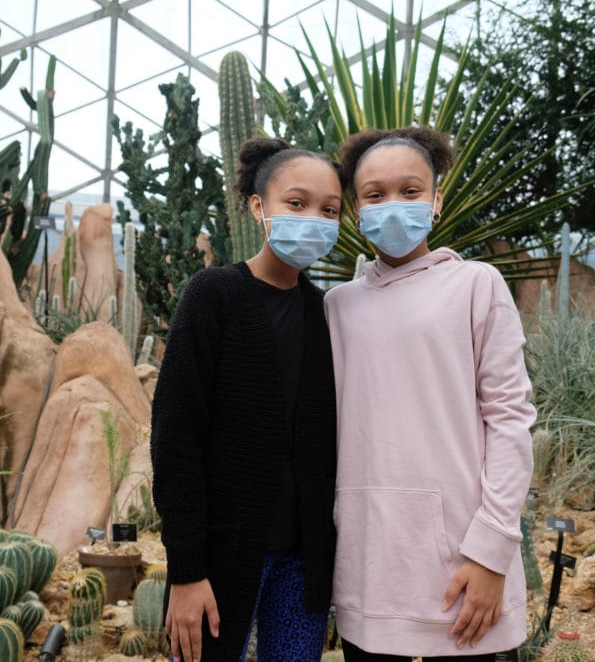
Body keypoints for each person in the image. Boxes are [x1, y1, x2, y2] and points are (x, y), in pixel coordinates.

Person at [323, 127, 536, 661]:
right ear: (355, 208)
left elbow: (509, 419)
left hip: (466, 569)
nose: (392, 206)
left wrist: (493, 553)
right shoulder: (336, 306)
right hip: (369, 567)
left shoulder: (477, 286)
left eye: (410, 191)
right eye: (374, 195)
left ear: (437, 199)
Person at [151, 137, 344, 661]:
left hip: (302, 563)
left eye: (330, 210)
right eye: (297, 203)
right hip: (221, 556)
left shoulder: (326, 314)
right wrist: (187, 570)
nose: (315, 219)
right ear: (259, 207)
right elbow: (176, 440)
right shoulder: (212, 296)